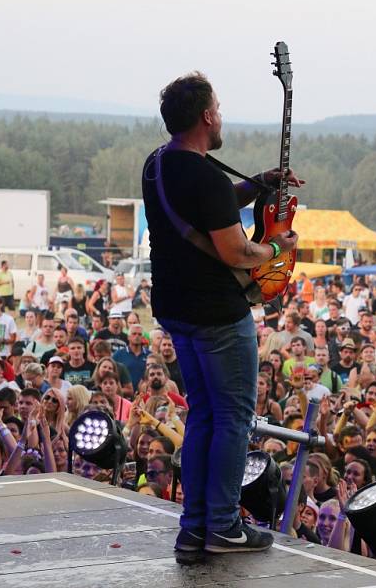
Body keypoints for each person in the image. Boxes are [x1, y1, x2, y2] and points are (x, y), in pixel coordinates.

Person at [142, 71, 301, 555]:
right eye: (219, 108)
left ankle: (194, 526)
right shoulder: (207, 176)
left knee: (204, 417)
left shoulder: (157, 165)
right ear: (207, 116)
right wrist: (275, 246)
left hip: (177, 309)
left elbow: (207, 210)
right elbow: (235, 251)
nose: (222, 115)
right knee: (233, 418)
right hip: (216, 314)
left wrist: (255, 187)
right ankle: (225, 526)